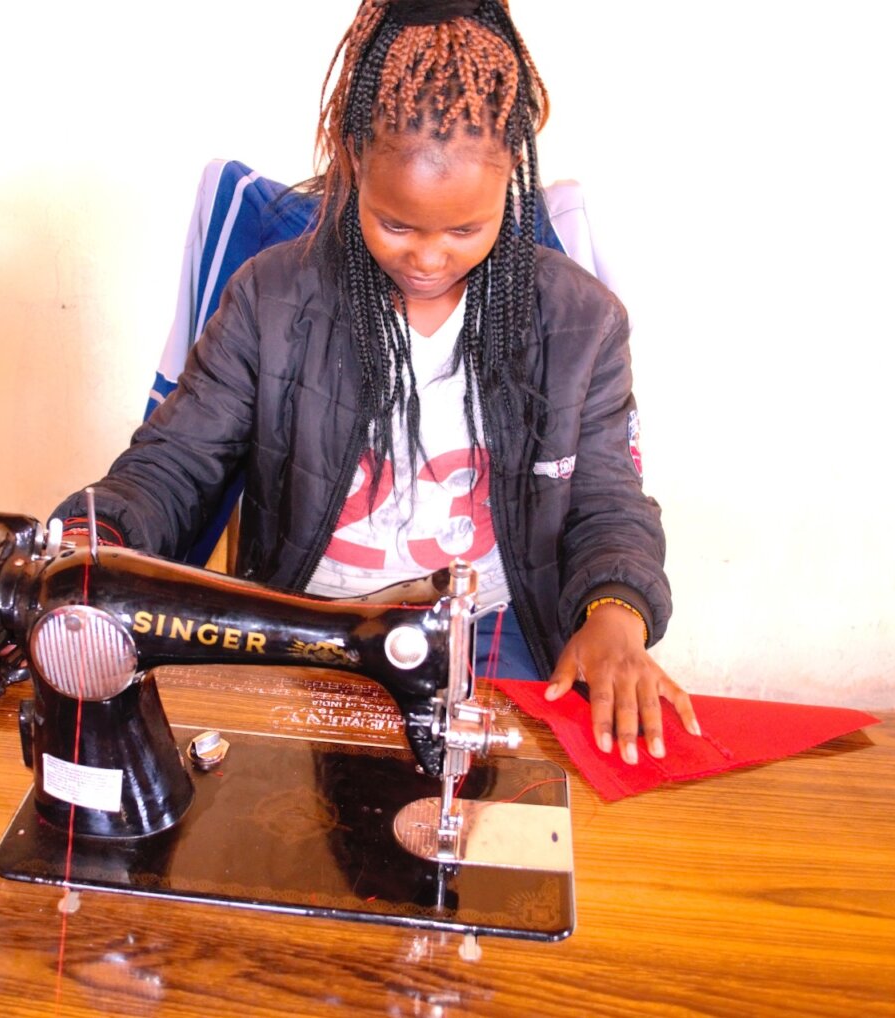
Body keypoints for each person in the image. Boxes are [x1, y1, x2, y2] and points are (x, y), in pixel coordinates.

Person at [55, 0, 701, 764]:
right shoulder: (272, 298)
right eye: (398, 224)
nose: (429, 258)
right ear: (355, 162)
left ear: (511, 190)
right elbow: (176, 462)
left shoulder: (580, 320)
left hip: (495, 625)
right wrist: (91, 538)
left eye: (466, 229)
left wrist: (617, 612)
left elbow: (607, 501)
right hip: (310, 620)